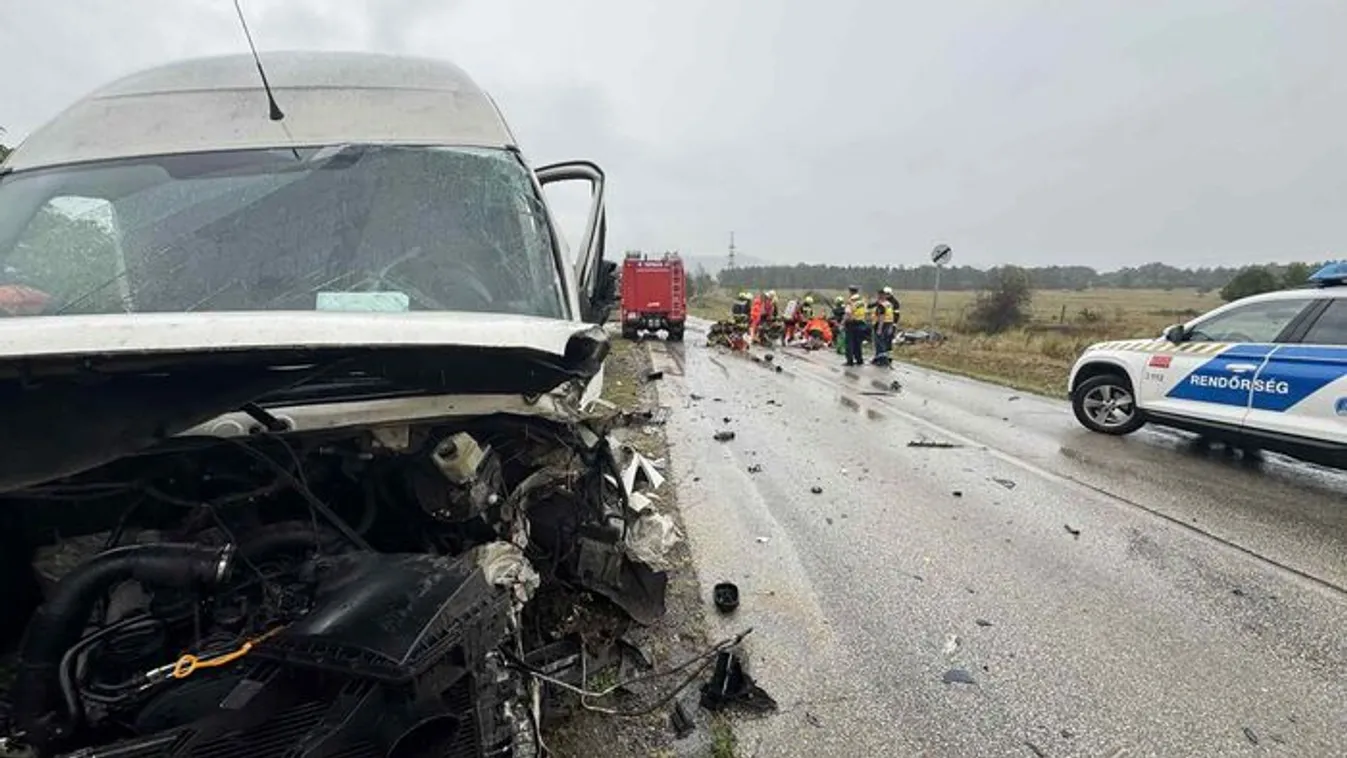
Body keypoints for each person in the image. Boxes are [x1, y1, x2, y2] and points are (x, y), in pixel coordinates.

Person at [843, 285, 867, 367]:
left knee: (849, 343)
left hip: (851, 324)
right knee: (858, 343)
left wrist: (843, 323)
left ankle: (850, 361)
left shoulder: (851, 301)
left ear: (851, 292)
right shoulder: (862, 300)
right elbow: (865, 311)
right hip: (861, 323)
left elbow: (848, 314)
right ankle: (859, 359)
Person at [871, 287, 896, 364]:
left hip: (881, 324)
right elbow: (891, 315)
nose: (878, 296)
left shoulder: (881, 305)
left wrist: (879, 329)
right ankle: (879, 359)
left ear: (880, 295)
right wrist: (891, 326)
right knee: (884, 342)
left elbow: (882, 317)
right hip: (888, 324)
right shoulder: (889, 304)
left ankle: (882, 360)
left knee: (879, 343)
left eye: (879, 295)